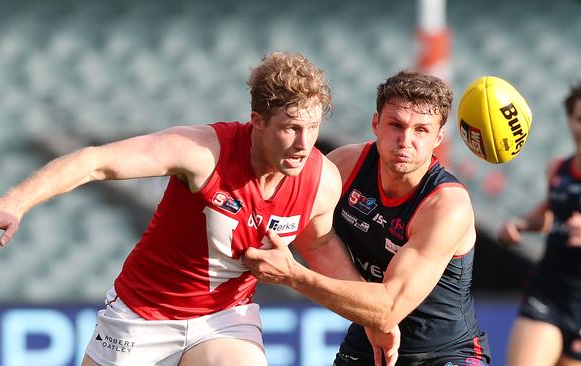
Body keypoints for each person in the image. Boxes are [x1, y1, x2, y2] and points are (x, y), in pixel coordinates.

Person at [0, 52, 345, 366]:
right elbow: (95, 161)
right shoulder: (202, 151)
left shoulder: (321, 181)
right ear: (257, 121)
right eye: (291, 128)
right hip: (143, 314)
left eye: (311, 128)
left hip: (224, 318)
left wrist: (375, 316)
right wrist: (15, 202)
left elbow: (323, 247)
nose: (303, 142)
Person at [244, 70, 491, 366]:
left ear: (438, 137)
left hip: (444, 352)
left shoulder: (447, 204)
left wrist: (294, 276)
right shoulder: (345, 166)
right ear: (376, 124)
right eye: (395, 125)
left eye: (421, 130)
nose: (405, 140)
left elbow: (388, 309)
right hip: (369, 341)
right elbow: (315, 239)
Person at [498, 83, 581, 366]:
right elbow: (547, 214)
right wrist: (520, 224)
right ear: (569, 121)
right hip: (550, 293)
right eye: (580, 119)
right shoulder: (558, 168)